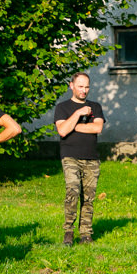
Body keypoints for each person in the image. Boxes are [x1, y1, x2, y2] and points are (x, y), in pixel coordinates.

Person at [54, 73, 105, 246]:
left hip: (91, 158)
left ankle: (85, 234)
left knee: (88, 197)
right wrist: (78, 113)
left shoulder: (95, 107)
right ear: (72, 86)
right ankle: (68, 232)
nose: (84, 90)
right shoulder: (63, 107)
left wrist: (72, 126)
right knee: (72, 191)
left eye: (87, 87)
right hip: (70, 156)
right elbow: (62, 131)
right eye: (80, 86)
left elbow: (97, 127)